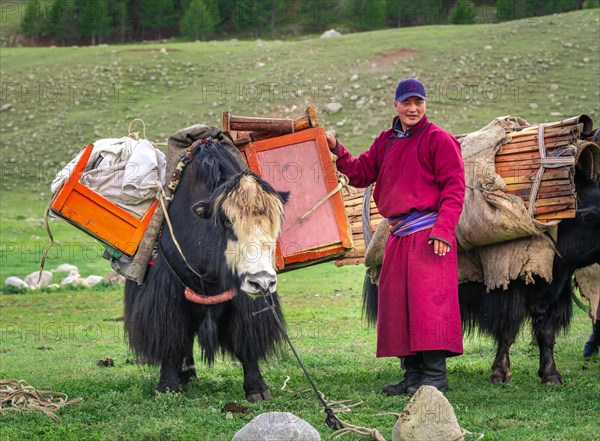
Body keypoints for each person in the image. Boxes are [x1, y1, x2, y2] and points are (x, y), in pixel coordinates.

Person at [326, 78, 465, 396]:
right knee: (400, 307)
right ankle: (413, 376)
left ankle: (434, 377)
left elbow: (454, 189)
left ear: (425, 104)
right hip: (398, 236)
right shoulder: (386, 141)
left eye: (418, 102)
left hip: (429, 235)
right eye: (407, 102)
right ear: (396, 105)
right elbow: (361, 172)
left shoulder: (439, 140)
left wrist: (443, 230)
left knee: (428, 306)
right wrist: (336, 147)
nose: (413, 108)